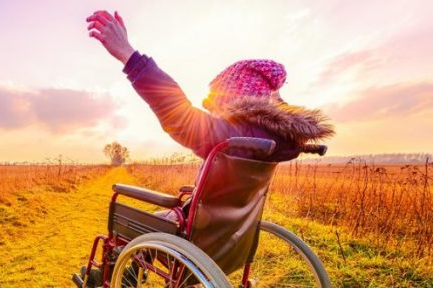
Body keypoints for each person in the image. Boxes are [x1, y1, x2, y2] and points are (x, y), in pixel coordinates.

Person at [82, 10, 334, 286]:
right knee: (164, 216)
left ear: (238, 100)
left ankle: (109, 276)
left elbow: (177, 113)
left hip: (197, 241)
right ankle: (131, 271)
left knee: (135, 216)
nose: (213, 112)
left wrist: (128, 55)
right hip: (232, 240)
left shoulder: (235, 138)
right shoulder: (275, 143)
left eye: (217, 104)